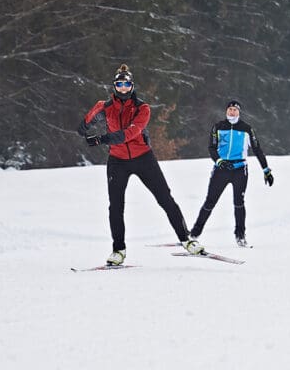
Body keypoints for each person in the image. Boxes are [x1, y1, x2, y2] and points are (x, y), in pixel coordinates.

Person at [77, 64, 204, 266]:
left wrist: (101, 139)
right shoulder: (106, 106)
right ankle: (118, 250)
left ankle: (186, 239)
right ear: (115, 86)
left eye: (127, 84)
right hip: (117, 161)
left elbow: (130, 133)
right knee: (115, 207)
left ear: (132, 86)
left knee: (165, 198)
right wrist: (90, 122)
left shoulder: (142, 108)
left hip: (143, 158)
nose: (124, 88)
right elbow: (82, 127)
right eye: (120, 84)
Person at [189, 100, 273, 247]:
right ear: (226, 111)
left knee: (239, 203)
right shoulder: (218, 127)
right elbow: (212, 148)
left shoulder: (247, 129)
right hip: (222, 168)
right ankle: (194, 234)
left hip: (240, 169)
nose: (232, 112)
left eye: (234, 110)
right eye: (229, 110)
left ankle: (240, 236)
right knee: (210, 202)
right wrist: (219, 161)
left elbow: (257, 149)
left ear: (239, 112)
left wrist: (266, 170)